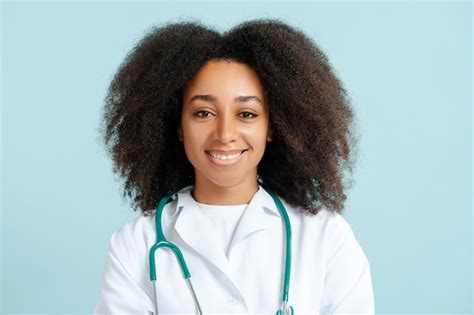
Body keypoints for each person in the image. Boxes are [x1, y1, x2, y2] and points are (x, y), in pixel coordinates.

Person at [94, 18, 374, 314]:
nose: (225, 134)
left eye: (247, 114)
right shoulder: (136, 245)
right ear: (178, 126)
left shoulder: (327, 238)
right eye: (203, 113)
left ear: (273, 126)